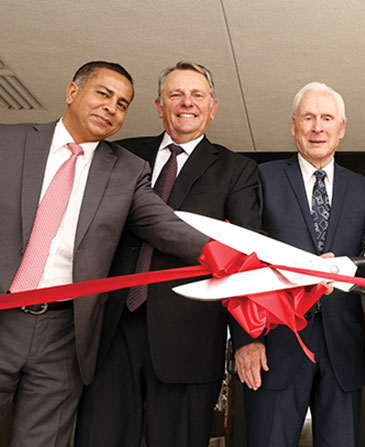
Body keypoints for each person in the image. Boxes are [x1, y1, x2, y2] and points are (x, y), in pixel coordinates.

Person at [0, 61, 210, 447]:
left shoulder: (127, 170)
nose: (112, 107)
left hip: (64, 336)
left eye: (123, 103)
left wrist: (228, 254)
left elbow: (167, 227)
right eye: (103, 94)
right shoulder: (8, 143)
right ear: (72, 92)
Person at [75, 62, 260, 447]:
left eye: (197, 95)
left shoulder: (236, 170)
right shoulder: (121, 154)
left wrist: (247, 337)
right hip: (112, 332)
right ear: (160, 106)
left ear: (213, 107)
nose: (186, 103)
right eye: (176, 95)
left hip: (190, 338)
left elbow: (247, 256)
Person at [230, 82, 365, 446]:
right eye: (308, 118)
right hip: (274, 346)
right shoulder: (261, 178)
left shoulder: (364, 189)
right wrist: (246, 340)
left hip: (342, 349)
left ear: (341, 128)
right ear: (294, 126)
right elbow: (239, 260)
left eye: (327, 118)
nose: (317, 127)